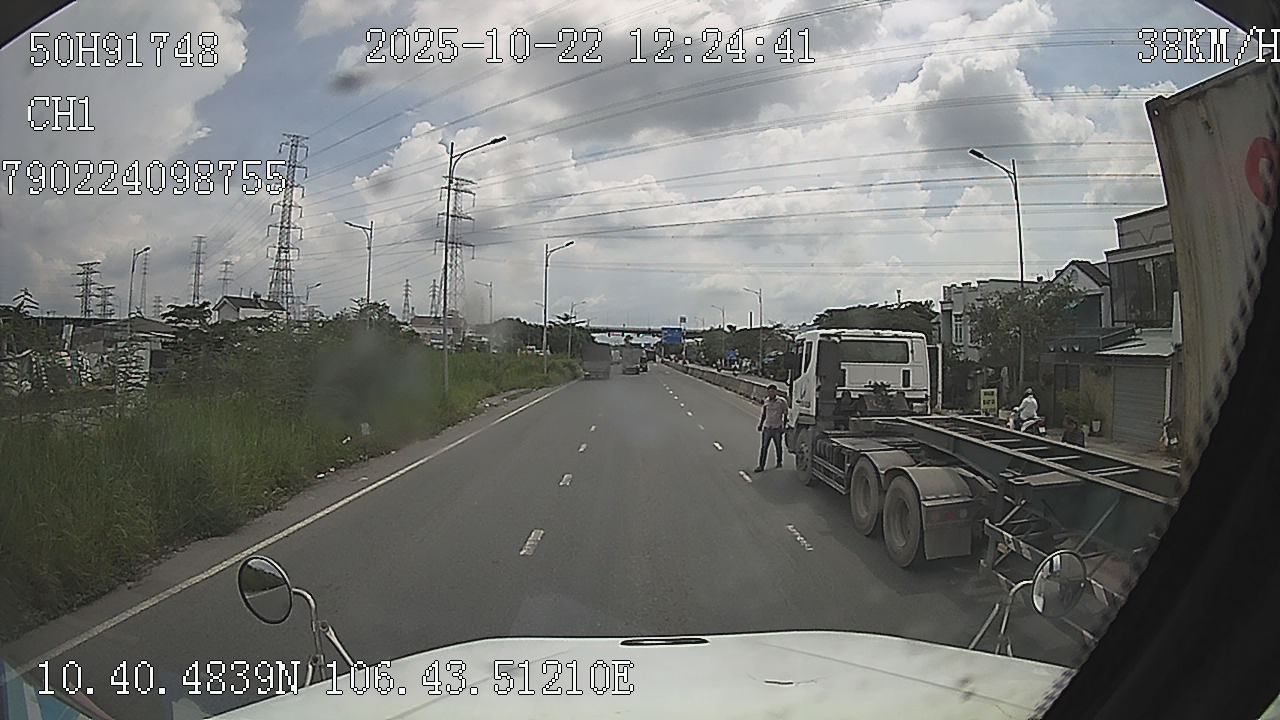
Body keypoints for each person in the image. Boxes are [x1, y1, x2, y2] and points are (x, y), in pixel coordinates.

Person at [755, 385, 788, 472]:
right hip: (767, 428)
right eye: (769, 392)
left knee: (778, 446)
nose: (771, 393)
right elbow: (764, 414)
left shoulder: (781, 401)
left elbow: (785, 414)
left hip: (777, 428)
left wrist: (784, 426)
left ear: (776, 392)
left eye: (772, 392)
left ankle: (779, 461)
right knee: (764, 447)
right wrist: (760, 424)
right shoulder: (766, 401)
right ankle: (761, 465)